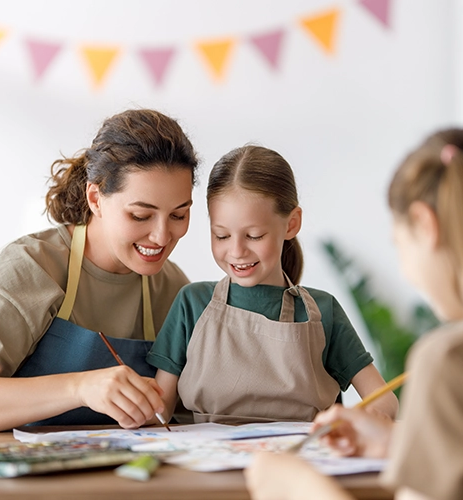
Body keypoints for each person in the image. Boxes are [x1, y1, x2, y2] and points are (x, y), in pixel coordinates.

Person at [245, 129, 463, 499]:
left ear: (425, 224)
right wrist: (403, 441)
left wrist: (296, 487)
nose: (406, 269)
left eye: (400, 244)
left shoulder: (454, 361)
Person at [0, 109, 200, 432]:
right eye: (141, 216)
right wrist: (81, 388)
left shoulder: (172, 288)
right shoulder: (30, 268)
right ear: (95, 198)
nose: (161, 236)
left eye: (178, 215)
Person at [146, 145, 398, 424]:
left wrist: (352, 423)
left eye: (254, 236)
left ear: (291, 224)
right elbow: (159, 413)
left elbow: (385, 400)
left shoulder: (323, 311)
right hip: (207, 464)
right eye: (222, 236)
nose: (237, 251)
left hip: (299, 460)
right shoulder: (191, 304)